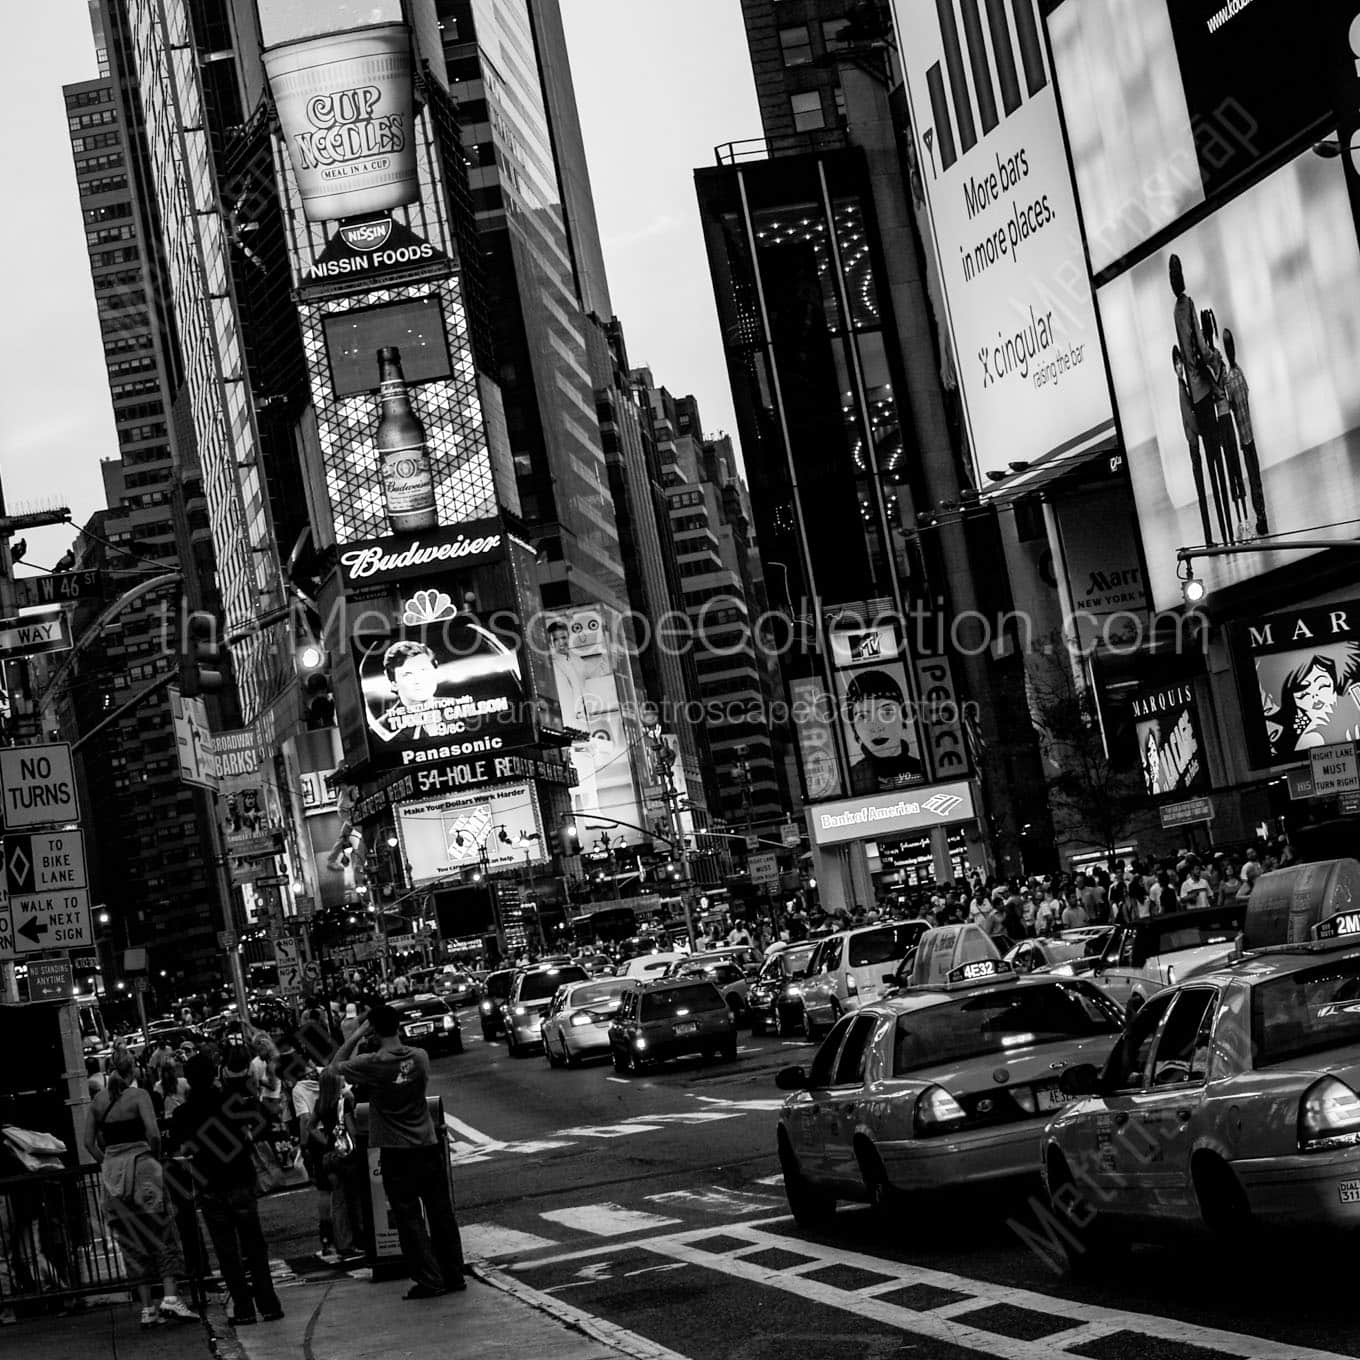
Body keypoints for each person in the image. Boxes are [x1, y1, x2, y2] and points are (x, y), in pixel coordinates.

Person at [332, 1004, 465, 1299]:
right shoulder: (420, 1057)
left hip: (396, 1151)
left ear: (375, 1031)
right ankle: (454, 1274)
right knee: (441, 1213)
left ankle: (429, 1279)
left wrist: (356, 1035)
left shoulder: (373, 1063)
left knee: (409, 1219)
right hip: (427, 1145)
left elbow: (335, 1066)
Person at [83, 1048, 199, 1330]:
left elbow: (88, 1142)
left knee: (131, 1242)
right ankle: (171, 1296)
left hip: (114, 1176)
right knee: (162, 1232)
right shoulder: (139, 1097)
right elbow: (153, 1134)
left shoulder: (98, 1101)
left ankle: (147, 1308)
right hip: (143, 1169)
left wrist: (109, 1162)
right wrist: (152, 1157)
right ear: (132, 1069)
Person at [170, 1054, 284, 1327]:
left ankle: (243, 1307)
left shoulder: (183, 1113)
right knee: (254, 1245)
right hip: (240, 1177)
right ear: (214, 1075)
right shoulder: (232, 1101)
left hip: (210, 1184)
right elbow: (263, 1121)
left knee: (226, 1250)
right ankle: (268, 1303)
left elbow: (178, 1150)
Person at [1169, 254, 1231, 544]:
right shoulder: (1189, 304)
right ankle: (1227, 530)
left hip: (1194, 394)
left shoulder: (1174, 310)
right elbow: (1202, 350)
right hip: (1204, 392)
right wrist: (1214, 360)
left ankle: (1212, 537)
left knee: (1207, 463)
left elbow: (1186, 344)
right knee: (1216, 459)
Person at [302, 1070, 364, 1267]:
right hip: (345, 1155)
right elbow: (351, 1129)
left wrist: (327, 1142)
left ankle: (342, 1243)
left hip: (329, 1155)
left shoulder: (321, 1103)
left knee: (338, 1201)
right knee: (354, 1198)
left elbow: (310, 1127)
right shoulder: (343, 1102)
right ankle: (358, 1239)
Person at [843, 669, 924, 788]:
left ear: (903, 715)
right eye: (863, 716)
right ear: (854, 728)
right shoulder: (850, 780)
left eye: (886, 712)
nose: (876, 728)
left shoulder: (924, 768)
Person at [1222, 328, 1267, 537]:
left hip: (1243, 437)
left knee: (1252, 478)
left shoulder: (1230, 379)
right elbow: (1245, 394)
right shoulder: (1239, 373)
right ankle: (1261, 518)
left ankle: (1260, 518)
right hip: (1250, 436)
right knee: (1255, 477)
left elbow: (1230, 404)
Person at [1172, 344, 1218, 545]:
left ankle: (1209, 538)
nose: (1179, 367)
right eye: (1176, 364)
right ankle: (1208, 539)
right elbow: (1188, 417)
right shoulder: (1181, 386)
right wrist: (1201, 429)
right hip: (1193, 444)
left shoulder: (1184, 384)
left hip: (1194, 441)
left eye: (1180, 362)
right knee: (1200, 489)